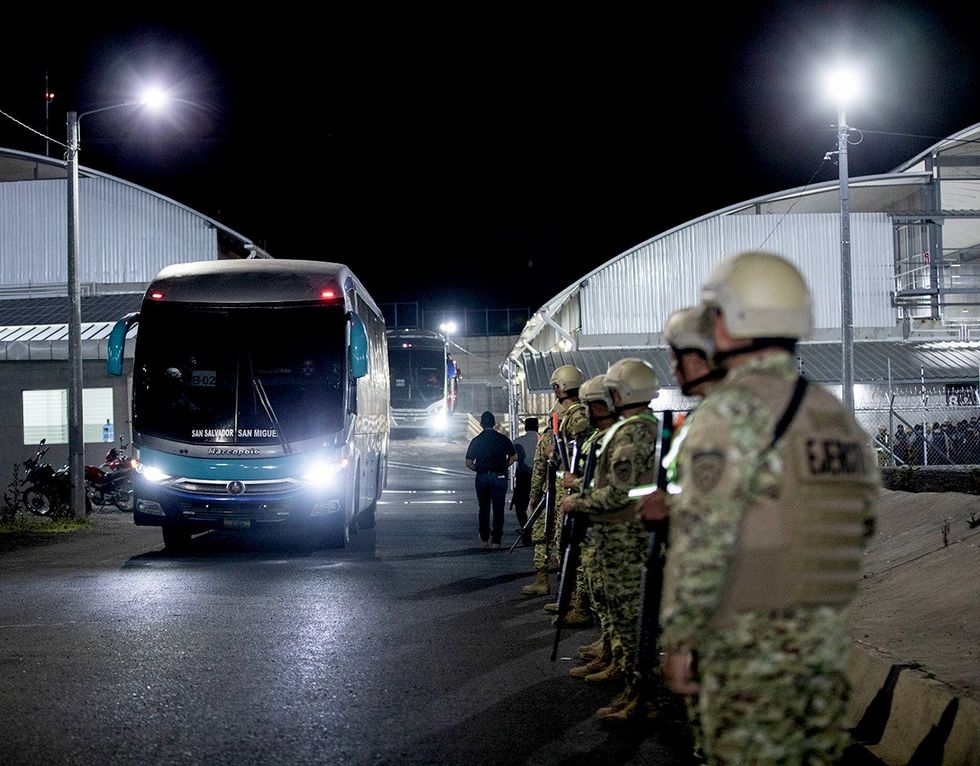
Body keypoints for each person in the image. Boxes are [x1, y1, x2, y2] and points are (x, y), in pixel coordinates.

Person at [658, 250, 880, 765]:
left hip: (749, 652)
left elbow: (703, 541)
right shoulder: (834, 415)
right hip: (823, 650)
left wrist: (681, 639)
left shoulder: (728, 414)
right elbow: (862, 521)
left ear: (733, 321)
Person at [558, 358, 662, 721]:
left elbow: (621, 493)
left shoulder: (633, 434)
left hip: (626, 539)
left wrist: (577, 500)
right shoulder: (639, 429)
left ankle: (640, 696)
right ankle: (631, 688)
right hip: (621, 537)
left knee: (632, 621)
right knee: (624, 617)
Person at [561, 374, 622, 674]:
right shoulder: (603, 437)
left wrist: (580, 499)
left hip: (618, 531)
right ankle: (609, 649)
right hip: (600, 528)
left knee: (621, 604)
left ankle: (622, 666)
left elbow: (618, 489)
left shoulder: (624, 436)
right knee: (605, 597)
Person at [521, 364, 594, 597]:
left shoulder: (576, 419)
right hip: (561, 487)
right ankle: (568, 596)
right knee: (554, 537)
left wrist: (553, 453)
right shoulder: (575, 417)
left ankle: (575, 599)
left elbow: (577, 451)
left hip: (567, 488)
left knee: (567, 543)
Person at [465, 410, 517, 549]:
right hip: (499, 476)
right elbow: (514, 457)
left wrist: (480, 469)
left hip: (482, 477)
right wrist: (504, 466)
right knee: (498, 509)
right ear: (494, 423)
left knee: (484, 509)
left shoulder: (476, 440)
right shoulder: (503, 439)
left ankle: (484, 539)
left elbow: (468, 462)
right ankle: (496, 541)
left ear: (481, 424)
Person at [510, 416, 540, 546]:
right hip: (540, 478)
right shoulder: (544, 441)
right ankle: (536, 531)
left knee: (520, 507)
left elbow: (512, 458)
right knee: (538, 506)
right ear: (537, 427)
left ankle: (525, 529)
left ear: (526, 427)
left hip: (523, 479)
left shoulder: (518, 441)